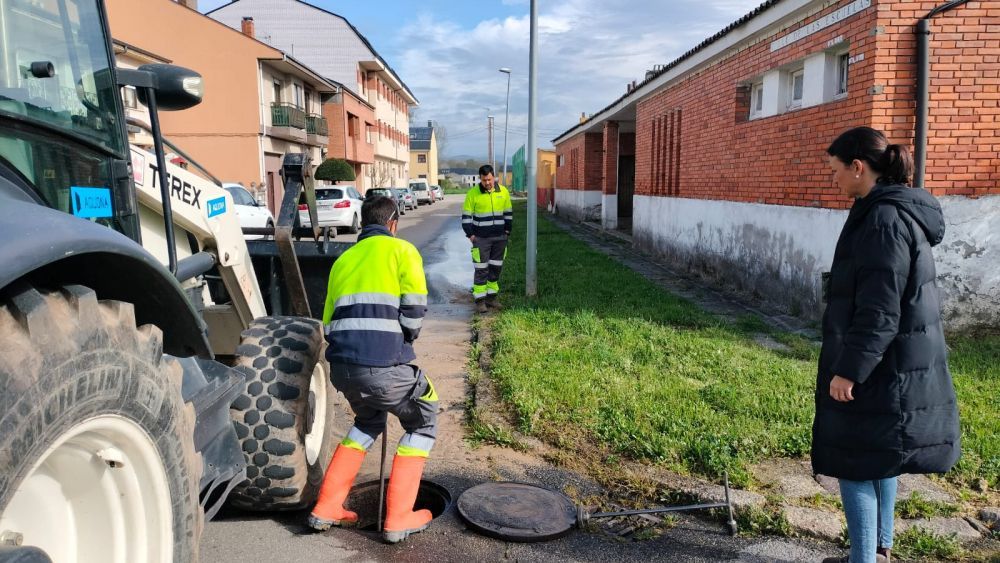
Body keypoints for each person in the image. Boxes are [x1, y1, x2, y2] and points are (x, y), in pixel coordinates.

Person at [814, 127, 960, 563]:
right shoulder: (889, 210)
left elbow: (880, 309)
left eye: (836, 171)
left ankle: (865, 560)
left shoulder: (883, 220)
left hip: (881, 366)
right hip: (893, 362)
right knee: (879, 455)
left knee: (854, 461)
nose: (834, 179)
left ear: (858, 167)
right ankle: (878, 551)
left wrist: (848, 370)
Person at [307, 196, 439, 544]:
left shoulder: (343, 260)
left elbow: (328, 323)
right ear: (393, 222)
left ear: (364, 223)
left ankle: (328, 506)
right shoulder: (403, 252)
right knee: (424, 416)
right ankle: (398, 518)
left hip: (343, 370)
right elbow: (414, 310)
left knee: (367, 422)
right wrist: (403, 342)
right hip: (382, 368)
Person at [461, 164, 513, 313]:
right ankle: (480, 301)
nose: (487, 183)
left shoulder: (503, 192)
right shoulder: (472, 194)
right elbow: (466, 217)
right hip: (481, 239)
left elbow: (508, 213)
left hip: (500, 238)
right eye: (484, 180)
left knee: (496, 268)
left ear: (494, 177)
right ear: (480, 179)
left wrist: (507, 231)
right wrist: (471, 235)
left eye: (489, 179)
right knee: (481, 270)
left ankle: (491, 298)